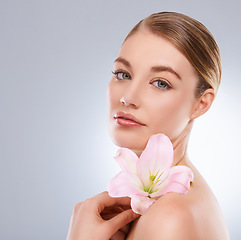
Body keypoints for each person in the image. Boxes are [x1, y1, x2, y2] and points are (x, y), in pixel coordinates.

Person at [67, 12, 230, 239]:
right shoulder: (173, 203)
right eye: (123, 74)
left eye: (161, 83)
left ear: (201, 104)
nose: (128, 97)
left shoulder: (169, 217)